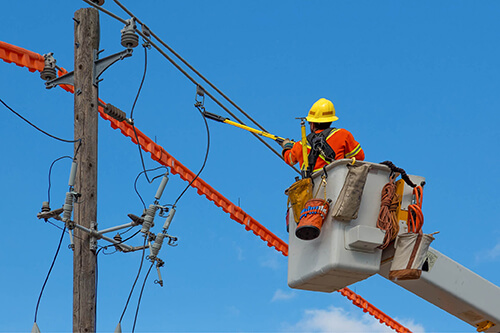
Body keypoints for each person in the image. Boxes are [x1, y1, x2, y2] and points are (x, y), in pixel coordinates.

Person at [281, 98, 364, 175]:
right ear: (330, 121)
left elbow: (289, 159)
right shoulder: (343, 135)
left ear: (312, 123)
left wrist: (287, 146)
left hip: (314, 188)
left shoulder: (301, 145)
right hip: (339, 182)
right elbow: (359, 157)